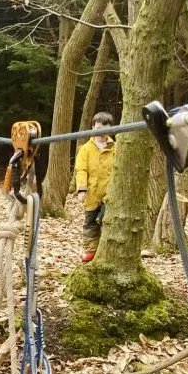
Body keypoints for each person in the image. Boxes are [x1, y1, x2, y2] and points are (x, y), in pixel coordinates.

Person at [74, 111, 115, 262]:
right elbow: (81, 169)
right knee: (90, 224)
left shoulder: (115, 148)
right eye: (98, 128)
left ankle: (106, 250)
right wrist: (82, 189)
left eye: (104, 128)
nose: (100, 132)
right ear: (92, 128)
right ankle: (91, 250)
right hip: (91, 194)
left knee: (106, 222)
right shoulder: (85, 149)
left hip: (109, 195)